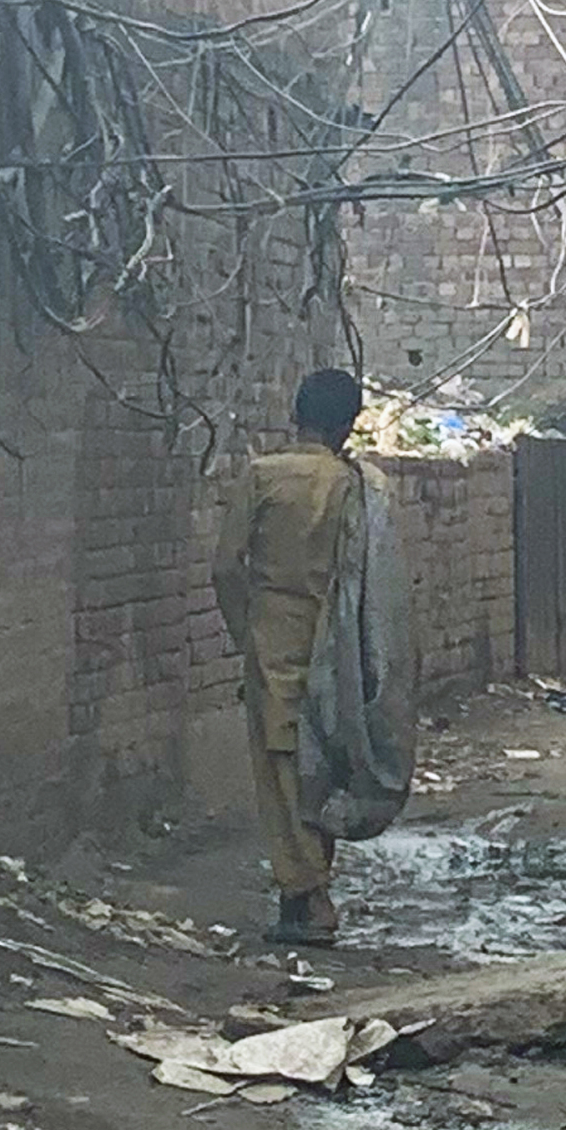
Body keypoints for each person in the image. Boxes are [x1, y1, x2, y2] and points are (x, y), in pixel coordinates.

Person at [212, 366, 381, 946]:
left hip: (275, 641)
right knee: (324, 766)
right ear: (349, 424)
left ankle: (310, 901)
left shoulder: (263, 477)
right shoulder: (356, 487)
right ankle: (304, 894)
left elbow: (225, 565)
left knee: (281, 768)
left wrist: (246, 631)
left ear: (296, 415)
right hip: (339, 646)